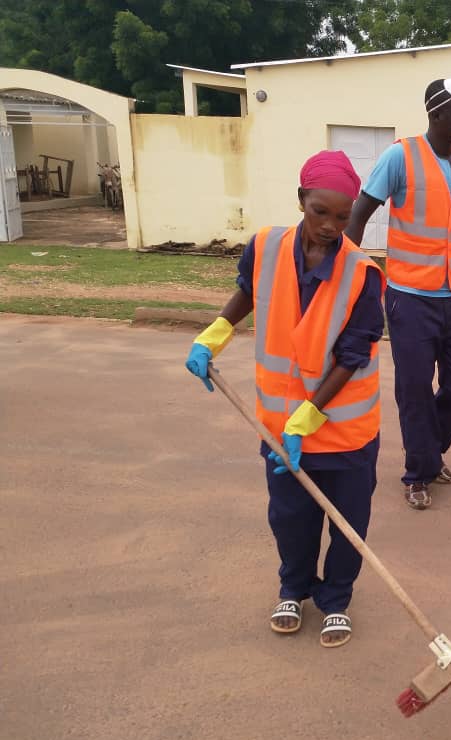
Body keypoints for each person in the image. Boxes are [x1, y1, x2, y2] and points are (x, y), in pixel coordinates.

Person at [184, 150, 384, 648]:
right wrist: (214, 334)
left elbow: (353, 354)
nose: (332, 226)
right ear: (301, 200)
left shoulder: (364, 274)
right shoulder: (265, 247)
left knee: (347, 519)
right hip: (278, 425)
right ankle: (293, 588)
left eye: (343, 216)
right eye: (321, 212)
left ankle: (336, 597)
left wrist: (311, 414)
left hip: (343, 427)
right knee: (290, 517)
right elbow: (248, 293)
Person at [346, 77, 451, 511]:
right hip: (408, 297)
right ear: (437, 115)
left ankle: (428, 453)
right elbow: (356, 219)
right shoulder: (399, 157)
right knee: (414, 389)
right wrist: (350, 284)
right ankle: (418, 471)